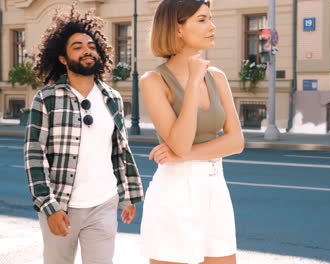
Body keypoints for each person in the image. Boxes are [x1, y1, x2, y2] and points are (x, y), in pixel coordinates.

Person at [24, 4, 144, 264]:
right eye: (77, 47)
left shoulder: (112, 98)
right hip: (61, 206)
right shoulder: (46, 99)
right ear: (63, 59)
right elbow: (34, 156)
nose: (87, 50)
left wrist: (128, 196)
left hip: (104, 204)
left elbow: (119, 151)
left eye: (91, 45)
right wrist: (48, 205)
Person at [139, 0, 244, 263]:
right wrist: (194, 79)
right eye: (202, 19)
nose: (212, 26)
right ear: (178, 29)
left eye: (210, 18)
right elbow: (181, 143)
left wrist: (181, 155)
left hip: (215, 187)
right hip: (175, 191)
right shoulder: (154, 81)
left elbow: (236, 142)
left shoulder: (217, 76)